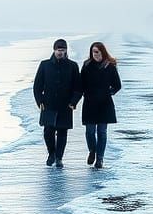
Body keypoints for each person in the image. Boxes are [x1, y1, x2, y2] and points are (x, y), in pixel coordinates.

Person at [33, 38, 81, 168]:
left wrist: (73, 102)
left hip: (65, 105)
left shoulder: (73, 66)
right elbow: (37, 86)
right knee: (48, 132)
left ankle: (59, 158)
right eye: (58, 50)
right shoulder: (45, 65)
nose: (60, 52)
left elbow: (78, 88)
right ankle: (51, 154)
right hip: (48, 104)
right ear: (54, 50)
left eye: (63, 50)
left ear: (66, 51)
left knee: (62, 132)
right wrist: (40, 101)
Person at [80, 41, 122, 169]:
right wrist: (84, 94)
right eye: (93, 52)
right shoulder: (86, 65)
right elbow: (80, 84)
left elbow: (117, 85)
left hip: (105, 104)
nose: (95, 54)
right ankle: (92, 151)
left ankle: (100, 159)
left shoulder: (110, 66)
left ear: (103, 52)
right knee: (90, 132)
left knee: (102, 132)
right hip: (90, 103)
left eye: (97, 52)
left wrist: (107, 93)